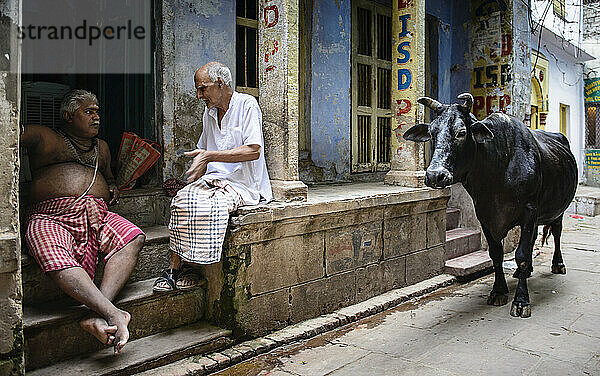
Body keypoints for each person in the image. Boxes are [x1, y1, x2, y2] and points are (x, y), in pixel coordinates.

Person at [21, 89, 145, 354]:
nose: (96, 116)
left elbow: (110, 177)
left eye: (97, 110)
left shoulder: (101, 148)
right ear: (68, 116)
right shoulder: (45, 137)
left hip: (97, 214)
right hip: (50, 215)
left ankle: (96, 312)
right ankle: (113, 313)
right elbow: (11, 131)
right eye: (88, 111)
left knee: (133, 237)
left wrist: (112, 186)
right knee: (50, 249)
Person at [153, 62, 272, 292]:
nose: (199, 96)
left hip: (243, 184)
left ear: (220, 84)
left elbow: (253, 150)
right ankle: (175, 269)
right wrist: (200, 167)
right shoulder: (208, 113)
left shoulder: (246, 105)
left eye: (203, 89)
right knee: (181, 199)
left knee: (211, 206)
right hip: (215, 180)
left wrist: (209, 157)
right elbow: (204, 152)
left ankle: (195, 268)